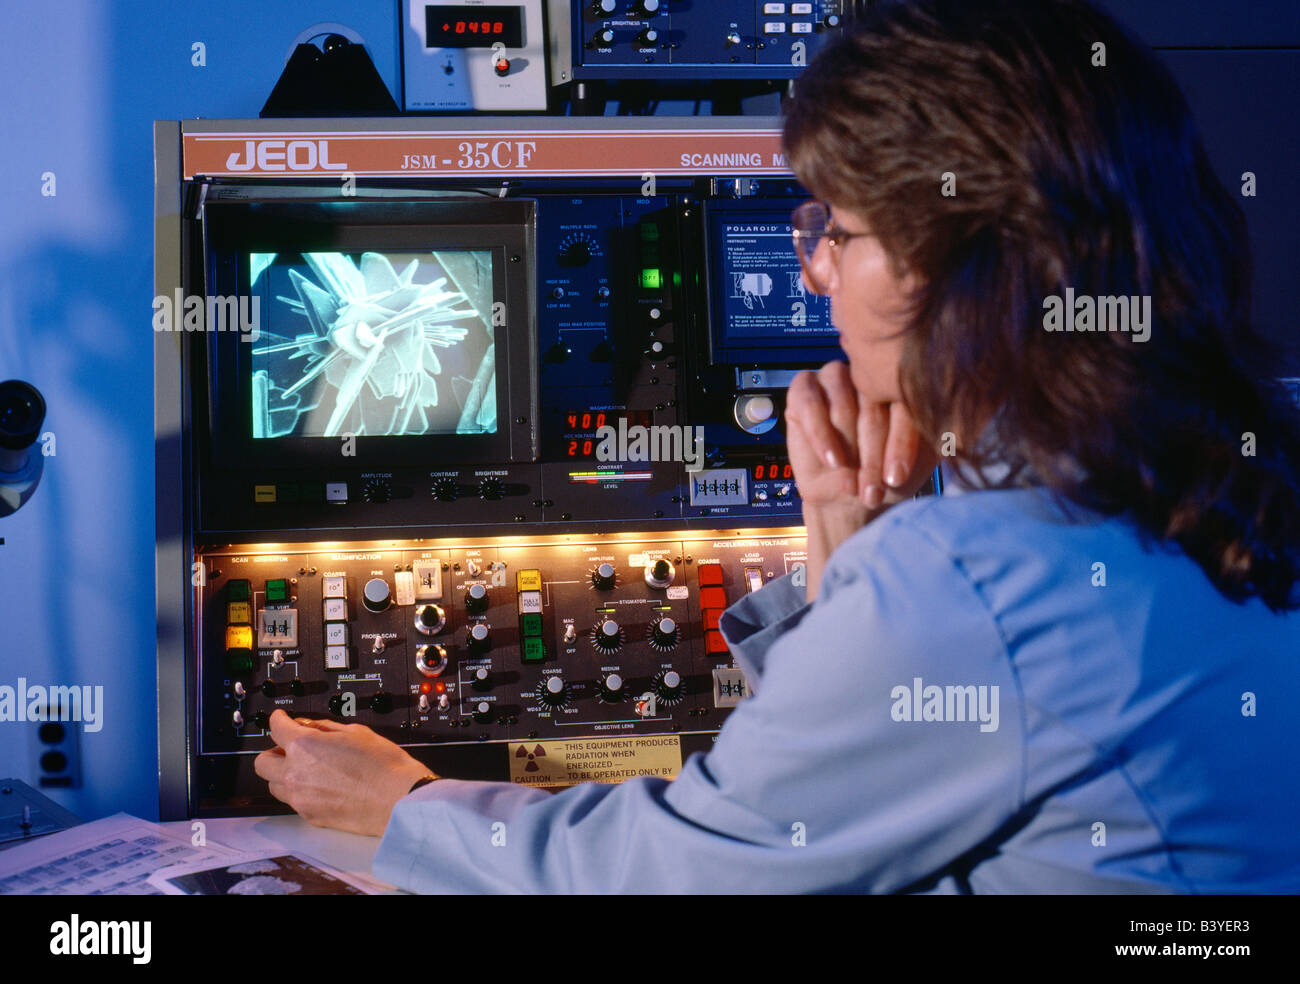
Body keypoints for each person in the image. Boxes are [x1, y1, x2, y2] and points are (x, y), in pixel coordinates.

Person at [254, 0, 1300, 893]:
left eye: (837, 231)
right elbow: (859, 804)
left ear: (968, 263)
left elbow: (689, 874)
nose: (812, 276)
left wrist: (408, 805)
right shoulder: (1204, 488)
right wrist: (849, 576)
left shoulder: (977, 571)